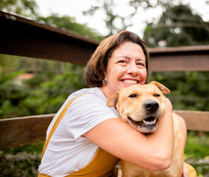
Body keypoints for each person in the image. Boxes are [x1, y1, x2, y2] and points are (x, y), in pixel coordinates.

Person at [38, 30, 196, 177]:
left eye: (140, 64)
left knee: (187, 171)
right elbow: (159, 159)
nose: (134, 70)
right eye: (123, 61)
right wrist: (165, 103)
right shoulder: (86, 105)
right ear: (103, 70)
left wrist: (177, 159)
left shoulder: (128, 106)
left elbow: (179, 122)